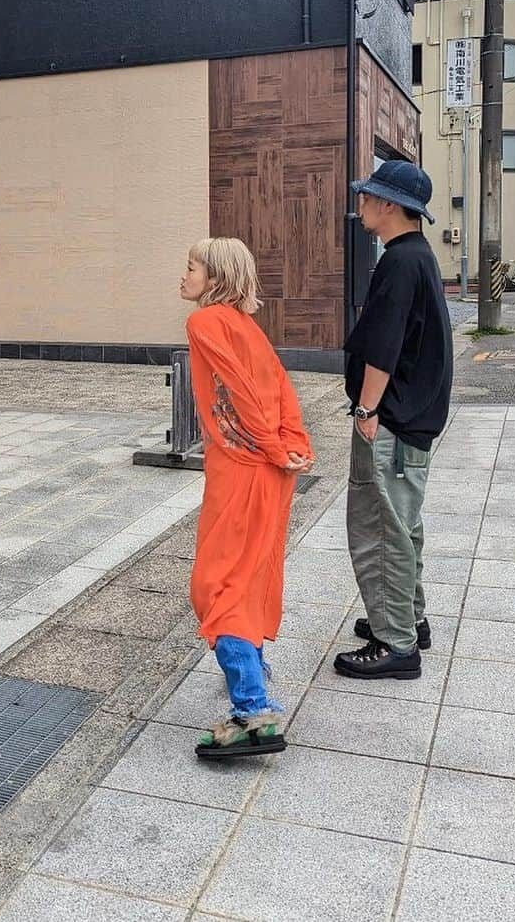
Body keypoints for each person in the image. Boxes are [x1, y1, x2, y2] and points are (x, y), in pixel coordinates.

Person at [181, 237, 314, 758]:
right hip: (266, 468)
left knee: (218, 585)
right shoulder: (247, 327)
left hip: (242, 467)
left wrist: (274, 448)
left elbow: (239, 390)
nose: (183, 276)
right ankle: (252, 672)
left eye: (191, 267)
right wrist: (291, 446)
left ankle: (254, 709)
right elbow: (280, 389)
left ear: (214, 279)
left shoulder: (206, 322)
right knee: (249, 572)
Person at [335, 160, 452, 681]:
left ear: (388, 204)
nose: (361, 204)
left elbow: (383, 347)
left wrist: (365, 408)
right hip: (411, 419)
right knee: (403, 523)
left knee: (381, 529)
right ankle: (410, 619)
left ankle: (396, 643)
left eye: (367, 196)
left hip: (391, 420)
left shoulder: (400, 262)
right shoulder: (419, 256)